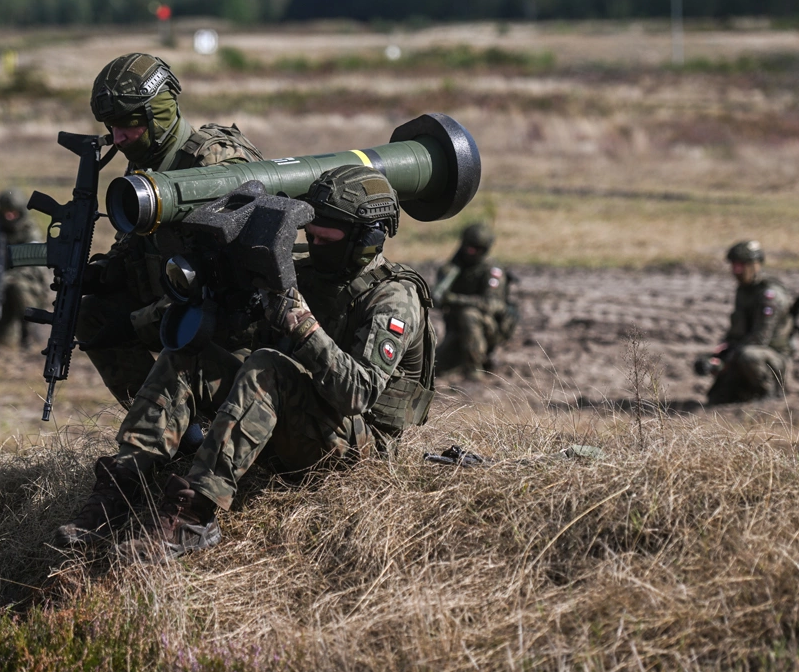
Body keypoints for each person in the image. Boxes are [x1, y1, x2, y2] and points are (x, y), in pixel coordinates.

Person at [54, 165, 436, 559]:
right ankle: (121, 486)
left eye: (328, 237)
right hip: (299, 418)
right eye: (311, 233)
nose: (315, 242)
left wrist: (302, 325)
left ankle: (195, 516)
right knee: (188, 355)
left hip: (357, 447)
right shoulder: (309, 273)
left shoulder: (393, 298)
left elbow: (357, 394)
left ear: (368, 237)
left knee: (266, 366)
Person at [75, 52, 264, 407]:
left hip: (226, 329)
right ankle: (163, 425)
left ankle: (187, 424)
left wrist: (136, 323)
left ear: (157, 115)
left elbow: (221, 285)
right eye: (111, 126)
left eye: (127, 124)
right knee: (91, 314)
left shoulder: (213, 164)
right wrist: (104, 271)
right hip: (173, 310)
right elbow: (133, 244)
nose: (117, 138)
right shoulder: (145, 162)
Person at [700, 240, 796, 405]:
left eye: (741, 265)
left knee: (749, 355)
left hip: (772, 357)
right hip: (744, 351)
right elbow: (736, 333)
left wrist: (728, 359)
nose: (736, 270)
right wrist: (717, 356)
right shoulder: (743, 291)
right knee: (717, 398)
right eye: (734, 265)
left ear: (755, 265)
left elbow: (760, 339)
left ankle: (770, 393)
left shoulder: (769, 295)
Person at [434, 223, 518, 379]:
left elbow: (492, 304)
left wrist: (454, 299)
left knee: (469, 314)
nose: (470, 252)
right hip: (457, 331)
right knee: (434, 366)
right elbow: (438, 299)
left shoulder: (492, 270)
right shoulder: (455, 266)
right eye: (468, 247)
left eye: (476, 249)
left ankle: (475, 369)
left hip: (488, 327)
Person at [0, 188, 50, 348]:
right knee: (4, 340)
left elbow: (36, 266)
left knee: (17, 287)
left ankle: (29, 331)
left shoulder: (29, 230)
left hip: (30, 286)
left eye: (12, 212)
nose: (9, 216)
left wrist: (13, 274)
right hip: (3, 284)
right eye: (5, 212)